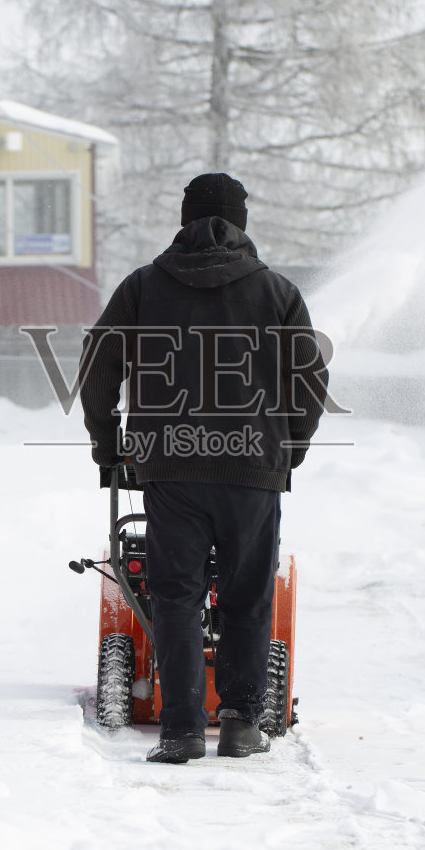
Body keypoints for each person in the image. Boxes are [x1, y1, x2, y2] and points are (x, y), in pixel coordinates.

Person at [80, 172, 328, 763]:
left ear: (184, 218)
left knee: (175, 597)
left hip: (171, 469)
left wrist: (107, 443)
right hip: (252, 472)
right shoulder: (279, 293)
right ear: (242, 223)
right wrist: (289, 446)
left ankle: (182, 729)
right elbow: (311, 381)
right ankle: (242, 724)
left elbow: (98, 368)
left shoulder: (143, 287)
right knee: (247, 595)